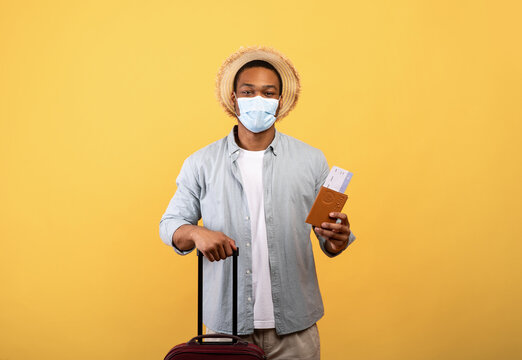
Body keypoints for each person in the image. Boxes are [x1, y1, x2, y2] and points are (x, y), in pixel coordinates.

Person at [159, 46, 356, 360]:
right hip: (226, 329)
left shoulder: (311, 160)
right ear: (234, 99)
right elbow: (169, 225)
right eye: (248, 92)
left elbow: (329, 240)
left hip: (296, 328)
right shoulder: (201, 163)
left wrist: (337, 237)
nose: (258, 100)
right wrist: (197, 233)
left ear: (281, 100)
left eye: (268, 92)